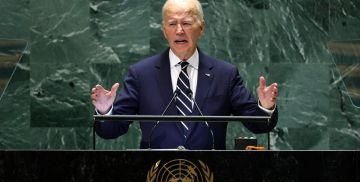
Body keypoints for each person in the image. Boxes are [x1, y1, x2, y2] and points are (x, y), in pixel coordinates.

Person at [91, 0, 278, 150]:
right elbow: (111, 130)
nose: (179, 30)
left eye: (187, 23)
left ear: (201, 28)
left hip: (211, 178)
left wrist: (266, 107)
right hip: (155, 177)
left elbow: (258, 124)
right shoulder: (141, 74)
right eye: (172, 24)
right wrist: (105, 111)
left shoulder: (225, 74)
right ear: (164, 31)